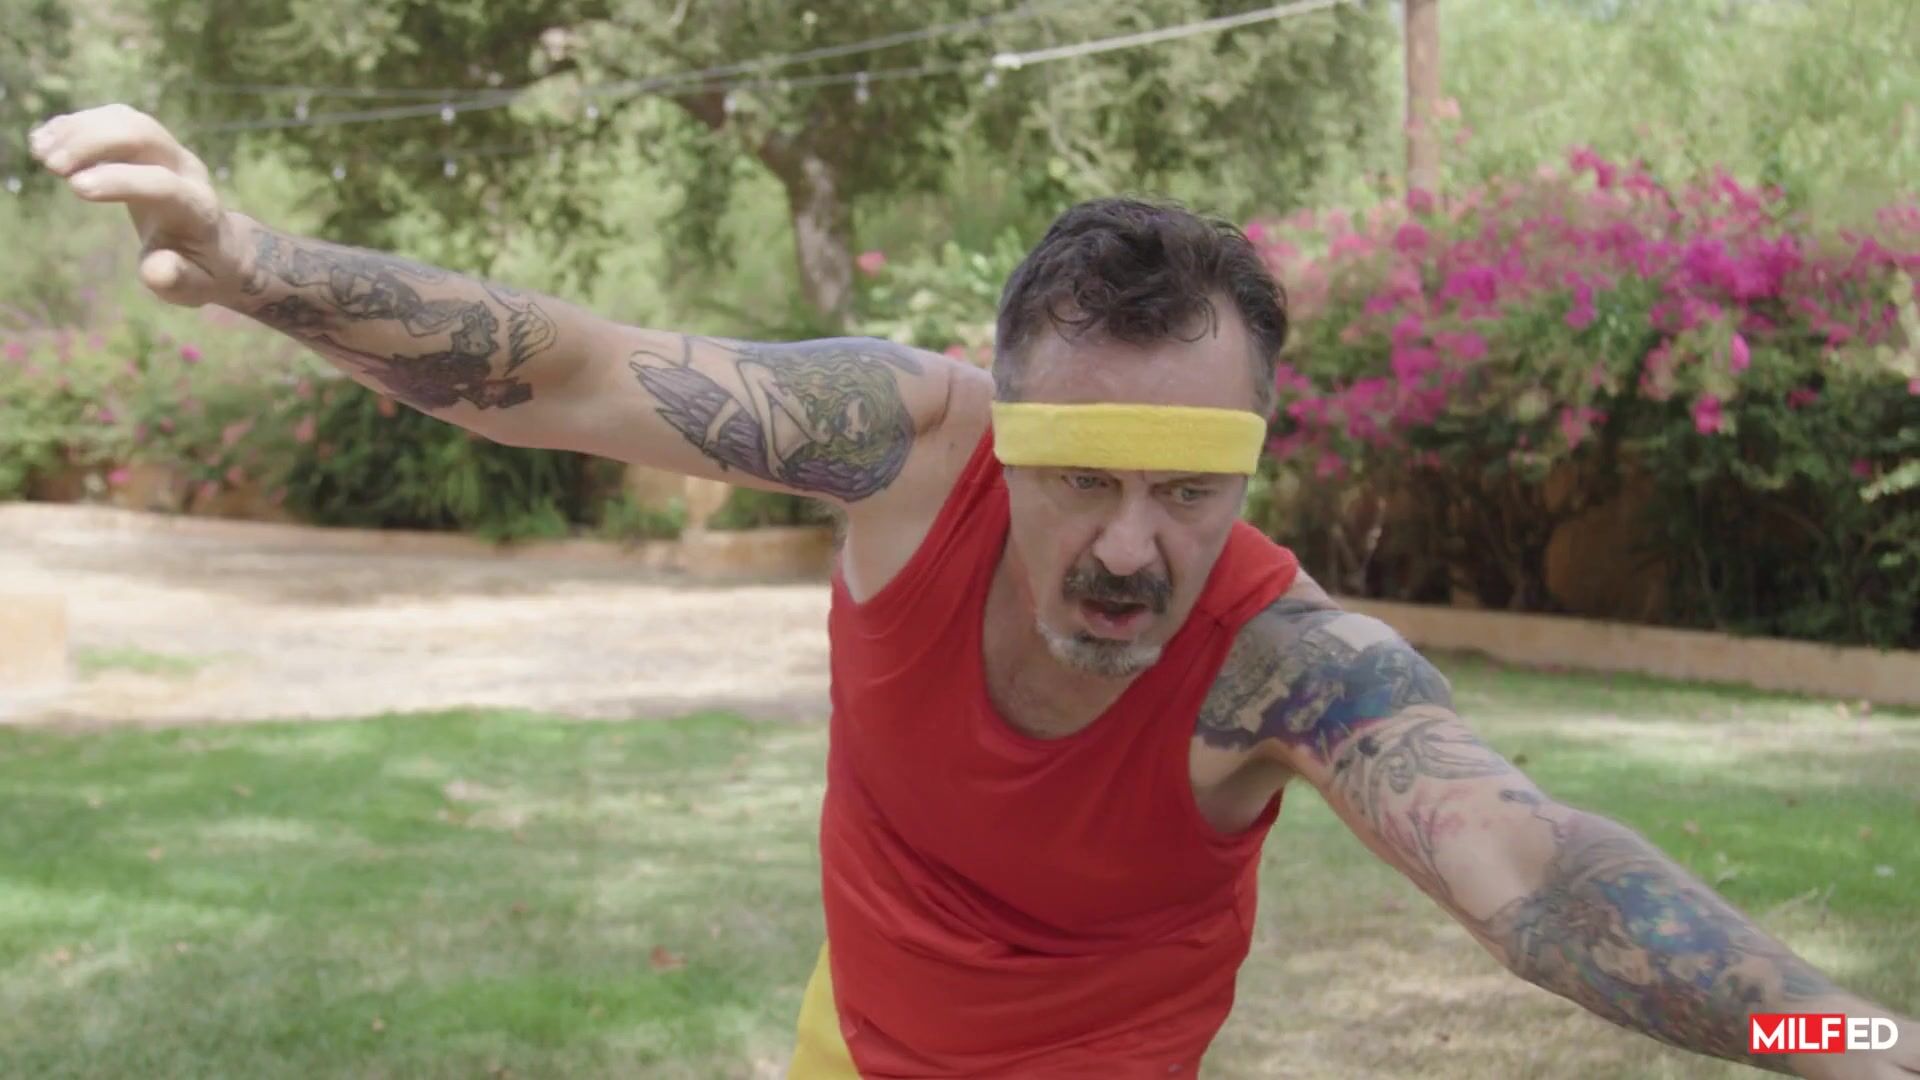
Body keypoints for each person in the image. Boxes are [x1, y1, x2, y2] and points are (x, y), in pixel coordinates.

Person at [28, 104, 1916, 1080]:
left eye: (1187, 491)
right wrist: (252, 258)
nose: (1130, 544)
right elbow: (586, 370)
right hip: (852, 1043)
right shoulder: (907, 444)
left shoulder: (1289, 664)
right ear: (1005, 428)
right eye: (1081, 472)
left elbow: (1541, 880)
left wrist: (1862, 1041)